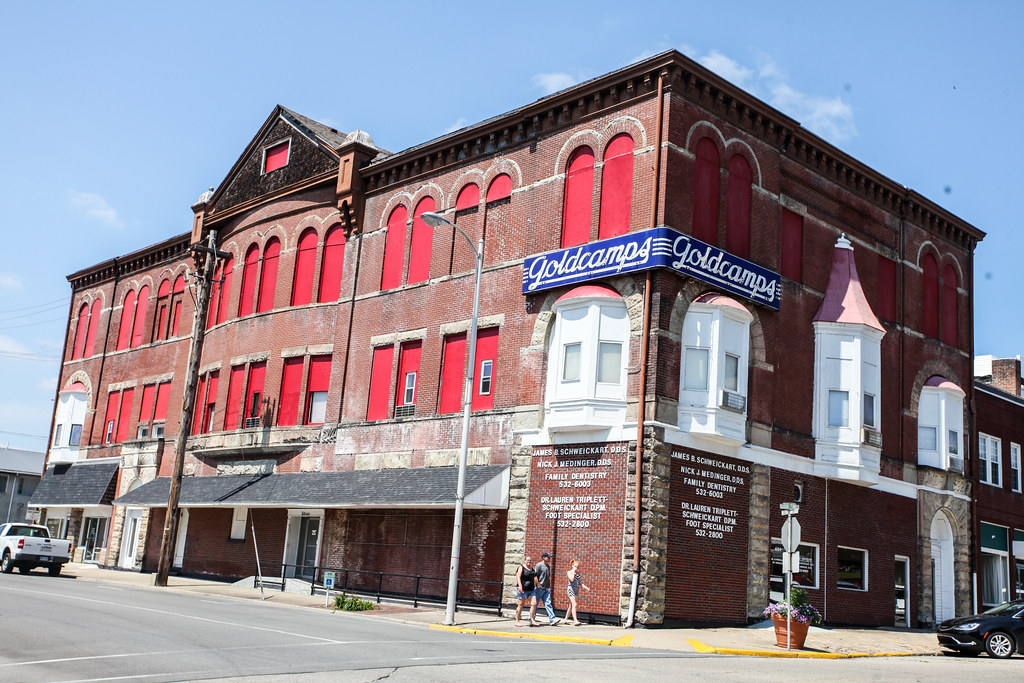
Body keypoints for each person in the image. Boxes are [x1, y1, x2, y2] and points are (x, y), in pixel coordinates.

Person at [534, 552, 559, 625]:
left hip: (546, 588)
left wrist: (549, 587)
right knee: (535, 604)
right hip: (539, 588)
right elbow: (535, 576)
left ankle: (552, 619)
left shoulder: (548, 566)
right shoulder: (539, 565)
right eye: (548, 557)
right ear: (544, 557)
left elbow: (548, 578)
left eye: (549, 557)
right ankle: (532, 618)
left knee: (548, 603)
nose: (549, 558)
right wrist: (537, 585)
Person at [515, 555, 539, 627]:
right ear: (524, 561)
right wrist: (520, 586)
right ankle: (517, 621)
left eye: (530, 560)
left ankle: (532, 620)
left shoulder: (532, 568)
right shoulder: (521, 567)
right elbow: (518, 576)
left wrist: (538, 584)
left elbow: (534, 576)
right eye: (527, 560)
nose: (529, 561)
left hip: (531, 589)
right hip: (523, 589)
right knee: (521, 604)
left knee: (534, 603)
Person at [564, 559, 590, 625]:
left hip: (576, 590)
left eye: (578, 567)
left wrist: (585, 587)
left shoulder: (578, 573)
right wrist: (573, 572)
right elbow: (572, 579)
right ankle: (575, 620)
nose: (577, 568)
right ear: (572, 566)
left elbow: (581, 582)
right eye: (575, 566)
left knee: (571, 605)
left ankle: (565, 619)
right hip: (571, 589)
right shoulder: (569, 572)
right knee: (574, 604)